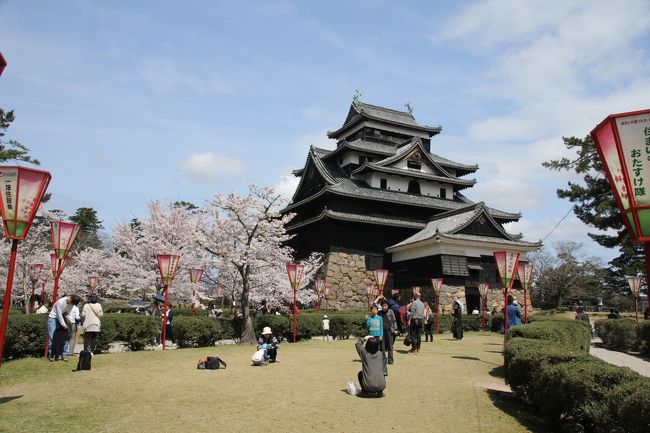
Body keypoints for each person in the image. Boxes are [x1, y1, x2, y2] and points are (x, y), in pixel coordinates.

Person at [47, 295, 81, 360]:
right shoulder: (60, 302)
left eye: (73, 304)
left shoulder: (72, 304)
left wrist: (70, 322)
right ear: (70, 298)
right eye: (71, 302)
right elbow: (59, 315)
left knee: (65, 337)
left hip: (63, 317)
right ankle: (52, 355)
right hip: (53, 318)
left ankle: (64, 354)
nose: (71, 304)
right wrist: (64, 325)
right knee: (52, 337)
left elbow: (67, 313)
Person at [377, 299, 397, 364]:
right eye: (383, 306)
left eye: (385, 305)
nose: (384, 307)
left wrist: (395, 329)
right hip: (381, 332)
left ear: (387, 306)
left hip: (390, 331)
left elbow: (394, 321)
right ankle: (383, 359)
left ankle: (390, 360)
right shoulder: (379, 313)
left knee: (390, 346)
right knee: (382, 346)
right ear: (381, 306)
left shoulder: (391, 311)